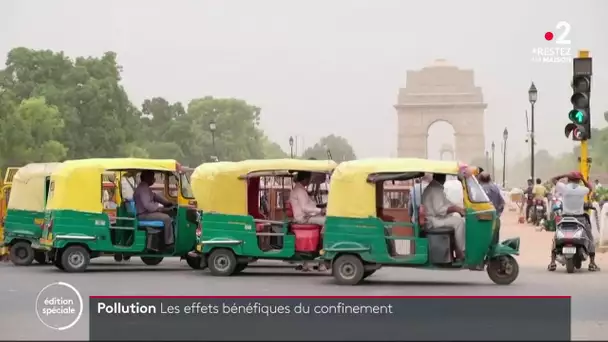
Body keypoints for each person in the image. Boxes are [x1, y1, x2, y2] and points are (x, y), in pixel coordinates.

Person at [548, 171, 599, 271]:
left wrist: (563, 174)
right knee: (589, 237)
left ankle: (552, 262)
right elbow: (590, 188)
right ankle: (592, 263)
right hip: (580, 218)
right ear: (578, 180)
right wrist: (583, 179)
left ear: (568, 179)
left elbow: (553, 180)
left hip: (565, 218)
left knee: (556, 237)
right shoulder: (582, 189)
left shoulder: (564, 188)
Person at [421, 173, 466, 260]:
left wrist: (459, 208)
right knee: (459, 222)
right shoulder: (435, 189)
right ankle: (461, 251)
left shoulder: (435, 188)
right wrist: (456, 209)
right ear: (444, 178)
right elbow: (440, 210)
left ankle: (457, 248)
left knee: (457, 217)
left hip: (435, 218)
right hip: (433, 221)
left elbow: (447, 203)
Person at [289, 171, 326, 271]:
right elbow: (305, 208)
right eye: (309, 179)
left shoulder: (300, 189)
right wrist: (320, 210)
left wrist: (319, 209)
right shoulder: (300, 191)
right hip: (303, 219)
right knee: (327, 222)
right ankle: (323, 251)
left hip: (306, 217)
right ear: (305, 179)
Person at [134, 170, 175, 247]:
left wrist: (166, 203)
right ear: (147, 177)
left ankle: (167, 238)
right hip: (144, 215)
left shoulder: (145, 187)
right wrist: (160, 209)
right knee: (166, 218)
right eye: (152, 177)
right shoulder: (143, 188)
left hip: (147, 213)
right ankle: (169, 243)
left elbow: (155, 196)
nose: (154, 179)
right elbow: (147, 205)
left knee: (170, 213)